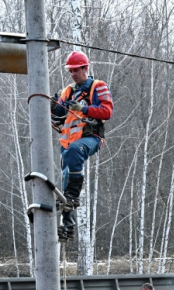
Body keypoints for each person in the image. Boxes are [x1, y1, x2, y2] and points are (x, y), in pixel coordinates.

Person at [51, 51, 113, 242]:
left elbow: (107, 111)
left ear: (85, 68)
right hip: (69, 143)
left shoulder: (98, 87)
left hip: (90, 138)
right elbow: (59, 114)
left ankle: (73, 196)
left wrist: (83, 109)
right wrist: (53, 106)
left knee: (74, 153)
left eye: (76, 70)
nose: (73, 74)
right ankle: (67, 226)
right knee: (65, 179)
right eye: (70, 71)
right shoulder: (67, 91)